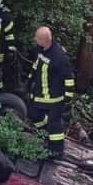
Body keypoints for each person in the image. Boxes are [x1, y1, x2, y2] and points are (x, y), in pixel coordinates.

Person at [26, 26, 75, 159]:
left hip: (55, 99)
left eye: (37, 38)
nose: (35, 40)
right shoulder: (41, 50)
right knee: (33, 114)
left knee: (55, 127)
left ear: (43, 40)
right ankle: (45, 136)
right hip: (40, 95)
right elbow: (36, 66)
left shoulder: (60, 57)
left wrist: (68, 99)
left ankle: (56, 152)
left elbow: (69, 80)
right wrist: (29, 82)